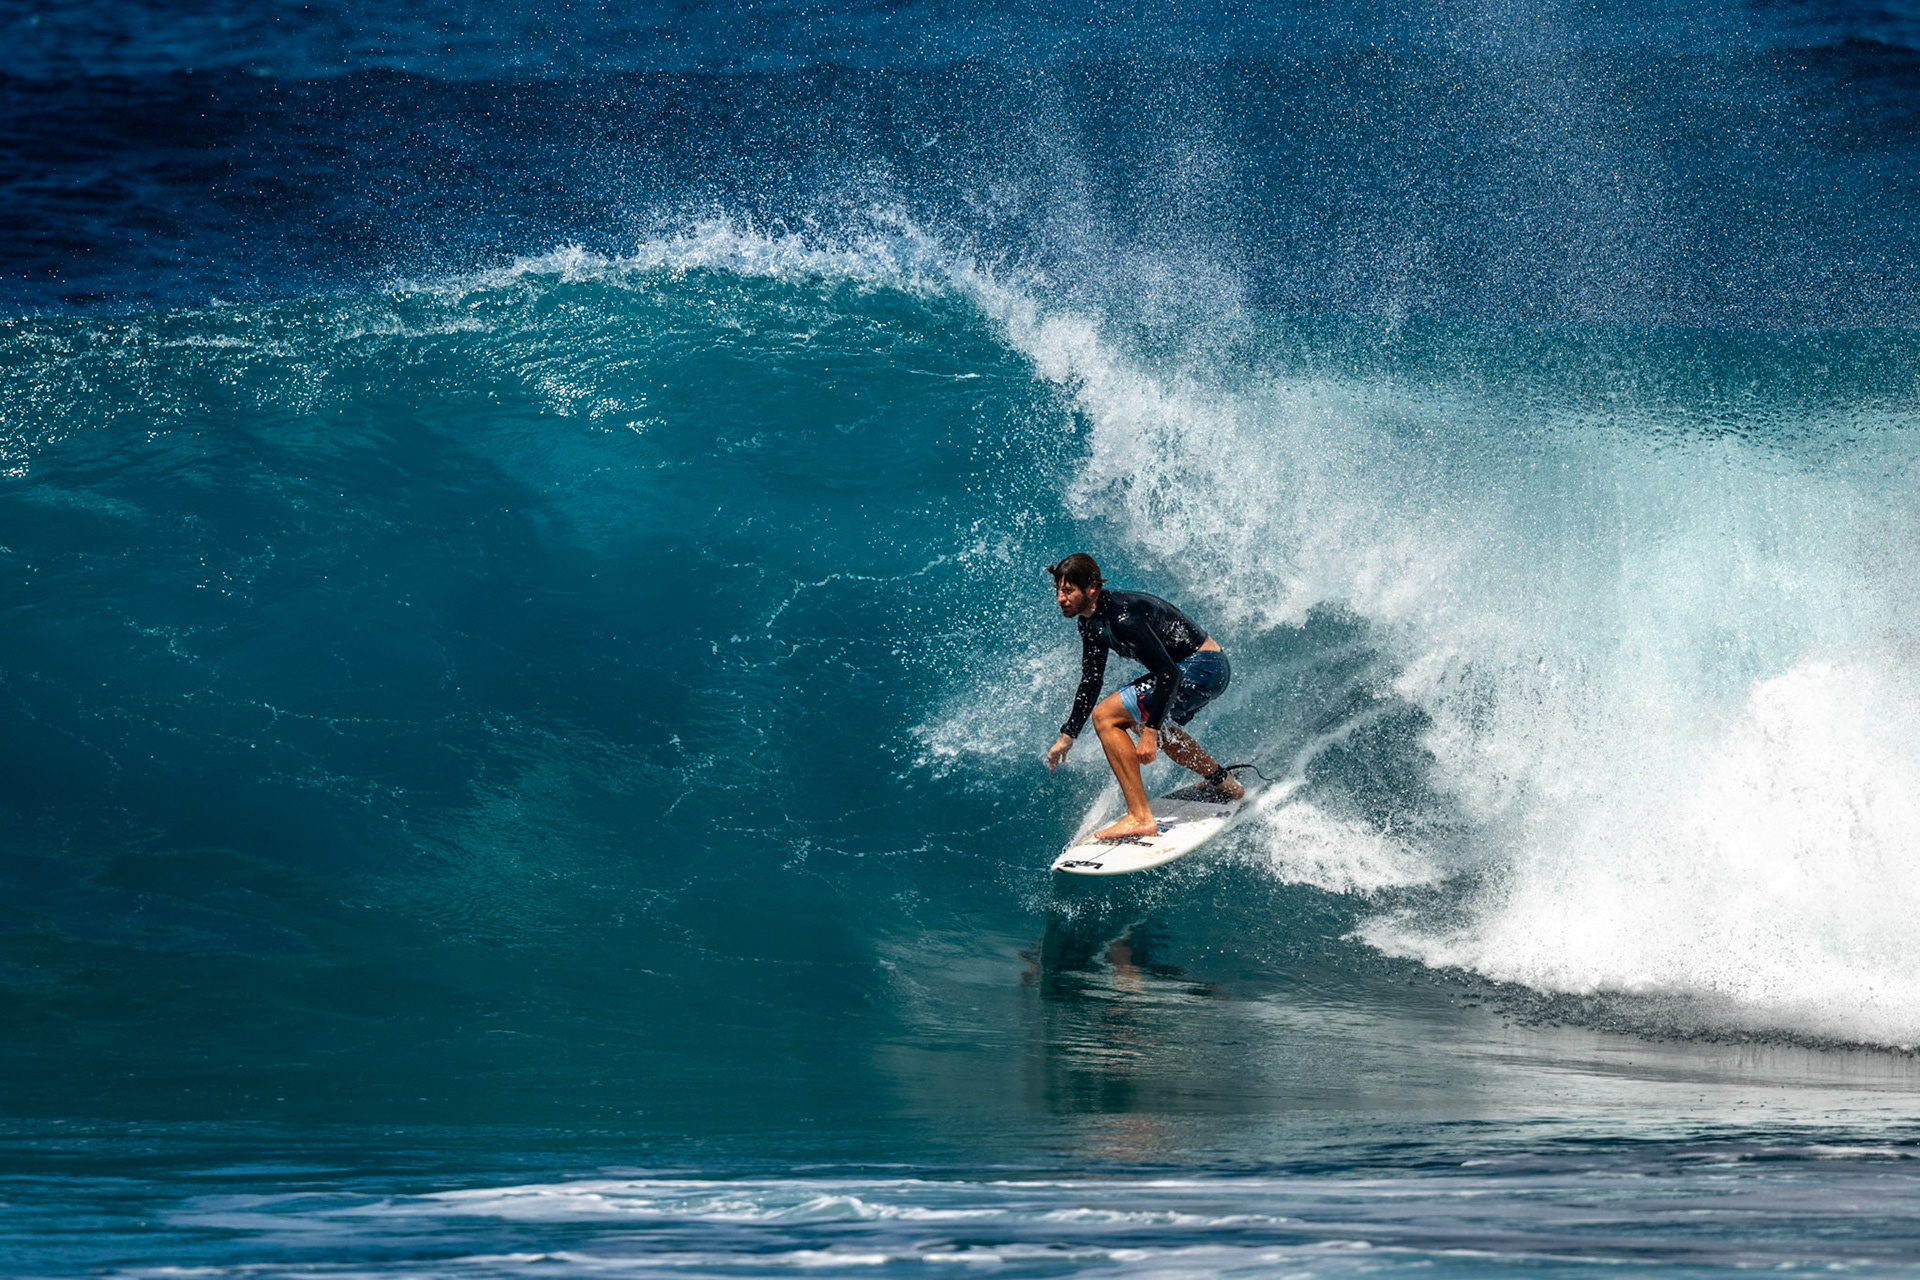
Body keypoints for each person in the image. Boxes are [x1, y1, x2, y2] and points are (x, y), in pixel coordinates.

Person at [1044, 553, 1240, 840]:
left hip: (1202, 667)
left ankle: (1140, 817)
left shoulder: (1124, 618)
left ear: (1093, 588)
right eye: (1058, 591)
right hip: (1201, 669)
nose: (1061, 598)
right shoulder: (1089, 622)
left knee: (1106, 716)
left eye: (1069, 590)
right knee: (1142, 723)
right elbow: (1091, 680)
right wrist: (1068, 734)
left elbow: (1169, 675)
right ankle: (1224, 783)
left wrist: (1149, 733)